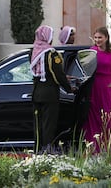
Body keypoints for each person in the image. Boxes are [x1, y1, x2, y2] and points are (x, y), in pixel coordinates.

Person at [30, 25, 73, 153]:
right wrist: (69, 88)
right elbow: (57, 74)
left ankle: (38, 150)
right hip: (50, 94)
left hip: (36, 92)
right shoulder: (51, 53)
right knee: (49, 124)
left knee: (38, 124)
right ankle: (47, 150)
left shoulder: (34, 51)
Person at [82, 26, 111, 153]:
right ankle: (94, 148)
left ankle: (108, 147)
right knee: (93, 118)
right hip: (94, 87)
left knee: (109, 117)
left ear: (106, 38)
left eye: (100, 37)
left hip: (107, 87)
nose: (97, 40)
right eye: (96, 37)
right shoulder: (91, 51)